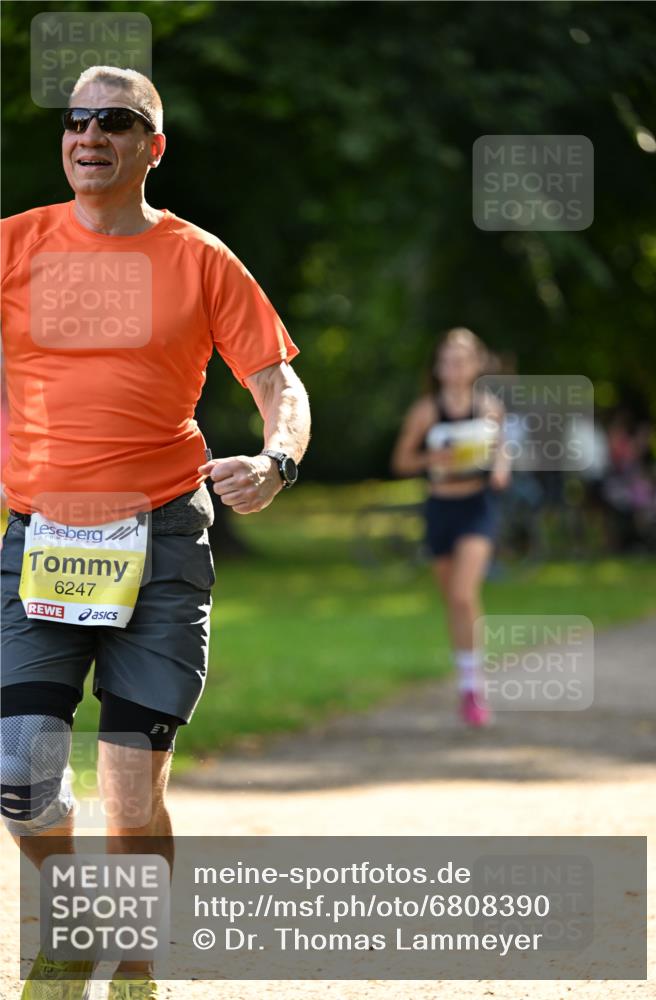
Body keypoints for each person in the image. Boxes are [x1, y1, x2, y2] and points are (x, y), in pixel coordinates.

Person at [0, 66, 311, 1000]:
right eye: (77, 119)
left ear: (152, 146)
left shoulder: (200, 260)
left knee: (131, 797)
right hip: (40, 538)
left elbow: (277, 385)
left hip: (163, 538)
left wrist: (276, 459)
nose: (89, 133)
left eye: (116, 121)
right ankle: (69, 929)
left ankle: (133, 967)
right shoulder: (14, 247)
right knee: (20, 772)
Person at [391, 327, 510, 726]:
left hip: (477, 507)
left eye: (463, 358)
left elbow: (502, 450)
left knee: (462, 594)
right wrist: (432, 460)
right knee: (455, 603)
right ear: (439, 367)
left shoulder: (489, 408)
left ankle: (474, 688)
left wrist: (501, 470)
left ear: (477, 364)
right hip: (441, 509)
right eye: (448, 358)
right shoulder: (426, 410)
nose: (455, 365)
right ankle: (467, 681)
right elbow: (402, 462)